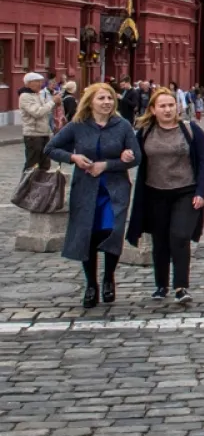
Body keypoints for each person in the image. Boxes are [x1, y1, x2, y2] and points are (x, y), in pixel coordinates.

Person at [45, 83, 140, 308]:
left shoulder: (122, 125)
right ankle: (91, 285)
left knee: (111, 232)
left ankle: (109, 278)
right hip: (86, 189)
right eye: (101, 98)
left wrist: (109, 164)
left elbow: (136, 157)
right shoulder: (78, 126)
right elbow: (50, 148)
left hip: (114, 189)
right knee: (88, 234)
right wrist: (74, 158)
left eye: (109, 98)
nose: (107, 102)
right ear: (90, 102)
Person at [127, 86, 204, 304]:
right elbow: (133, 156)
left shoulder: (191, 129)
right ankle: (161, 285)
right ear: (153, 110)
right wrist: (124, 155)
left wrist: (201, 192)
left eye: (171, 105)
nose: (167, 110)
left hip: (186, 191)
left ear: (177, 107)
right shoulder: (144, 132)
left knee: (180, 236)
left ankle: (181, 286)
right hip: (155, 193)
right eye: (162, 106)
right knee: (160, 240)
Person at [19, 71, 56, 171]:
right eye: (37, 82)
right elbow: (37, 112)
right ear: (28, 83)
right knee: (32, 165)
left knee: (45, 164)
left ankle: (41, 186)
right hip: (33, 135)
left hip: (43, 133)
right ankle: (26, 186)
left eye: (41, 82)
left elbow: (46, 110)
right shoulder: (25, 96)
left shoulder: (37, 94)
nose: (40, 84)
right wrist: (52, 102)